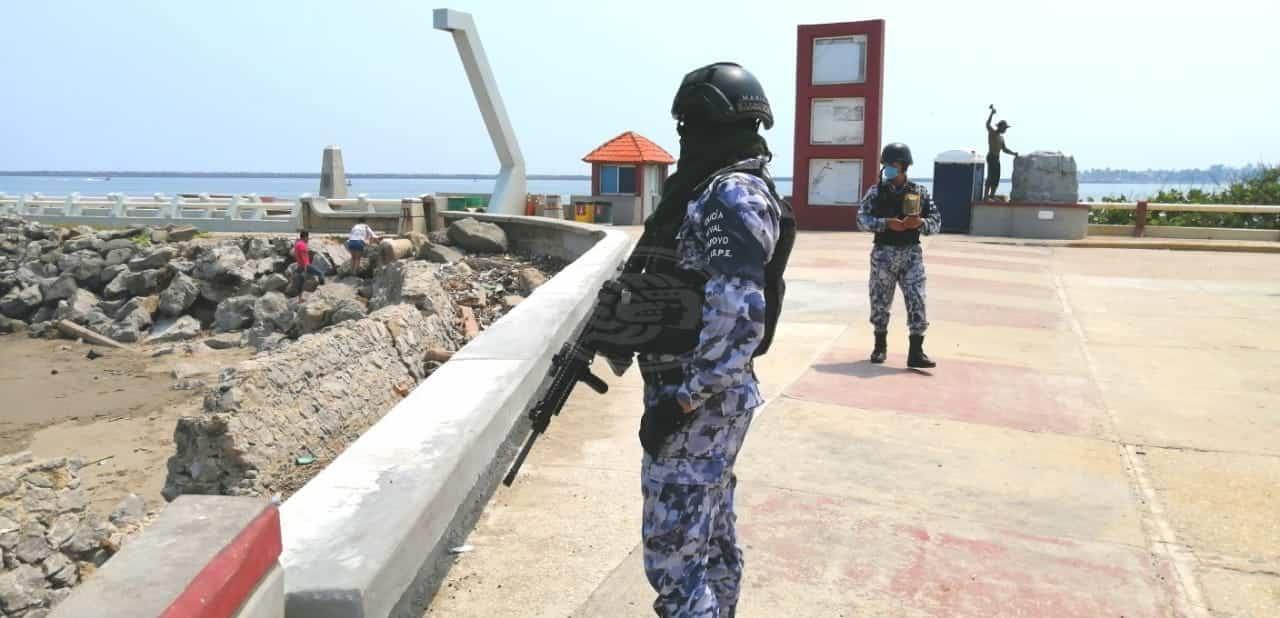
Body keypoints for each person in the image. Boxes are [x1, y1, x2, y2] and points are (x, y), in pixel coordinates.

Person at [627, 61, 792, 617]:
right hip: (708, 398)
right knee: (712, 541)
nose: (684, 140)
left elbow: (740, 317)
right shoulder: (718, 189)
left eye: (688, 127)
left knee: (675, 563)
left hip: (699, 402)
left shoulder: (729, 195)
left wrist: (681, 401)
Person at [857, 142, 941, 369]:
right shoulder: (876, 192)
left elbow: (936, 222)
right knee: (879, 301)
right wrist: (886, 224)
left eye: (892, 164)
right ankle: (879, 346)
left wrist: (921, 222)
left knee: (917, 300)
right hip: (883, 254)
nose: (888, 168)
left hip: (911, 255)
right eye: (886, 164)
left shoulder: (919, 192)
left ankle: (916, 352)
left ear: (904, 166)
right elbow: (861, 219)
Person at [984, 105, 1019, 200]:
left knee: (996, 178)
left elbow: (1004, 149)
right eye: (1004, 128)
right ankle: (986, 197)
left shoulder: (1001, 138)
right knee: (991, 176)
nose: (1005, 130)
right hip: (991, 157)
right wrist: (992, 113)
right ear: (1000, 127)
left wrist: (1013, 153)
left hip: (997, 158)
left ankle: (991, 196)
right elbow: (987, 124)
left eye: (1006, 128)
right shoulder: (992, 133)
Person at [292, 230, 325, 299]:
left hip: (300, 265)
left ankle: (300, 298)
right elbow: (303, 256)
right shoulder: (302, 245)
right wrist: (306, 268)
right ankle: (323, 292)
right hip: (306, 265)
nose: (308, 239)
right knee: (320, 273)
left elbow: (296, 255)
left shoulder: (297, 244)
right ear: (305, 237)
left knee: (300, 282)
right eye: (308, 238)